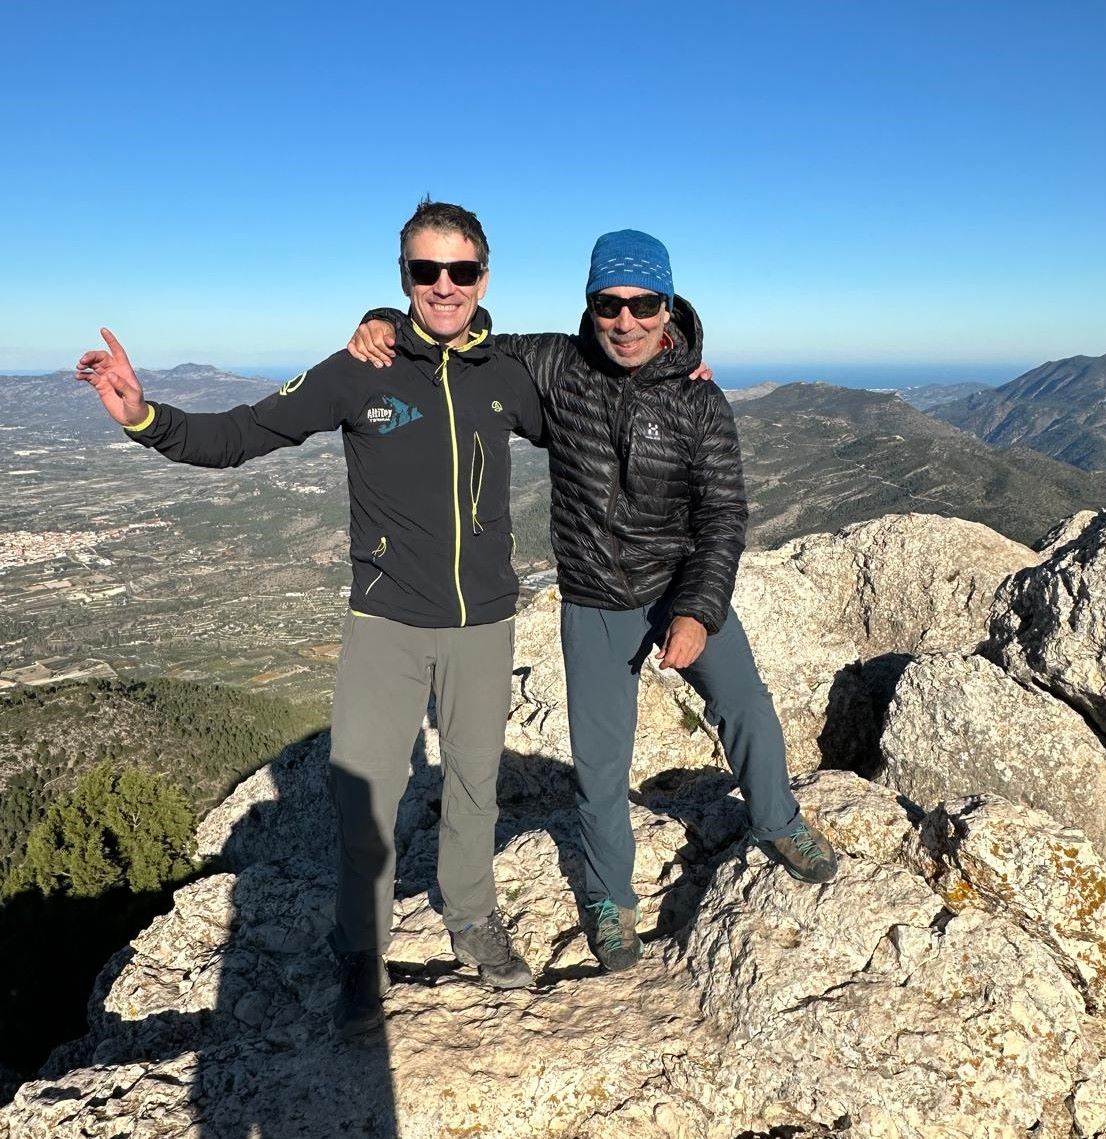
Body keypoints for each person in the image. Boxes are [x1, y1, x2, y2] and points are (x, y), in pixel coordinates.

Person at [75, 200, 543, 1035]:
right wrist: (146, 419)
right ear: (403, 279)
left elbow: (589, 414)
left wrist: (676, 371)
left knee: (475, 783)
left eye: (460, 271)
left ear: (484, 276)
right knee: (365, 791)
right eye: (425, 271)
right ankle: (360, 947)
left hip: (483, 622)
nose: (444, 286)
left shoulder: (505, 372)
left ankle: (471, 918)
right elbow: (247, 431)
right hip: (385, 621)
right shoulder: (357, 367)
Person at [349, 229, 839, 973]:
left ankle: (778, 818)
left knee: (744, 703)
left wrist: (697, 610)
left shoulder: (700, 401)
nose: (626, 320)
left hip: (676, 584)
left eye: (644, 304)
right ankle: (611, 899)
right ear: (591, 304)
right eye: (610, 303)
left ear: (668, 307)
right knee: (600, 764)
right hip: (594, 600)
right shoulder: (556, 362)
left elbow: (724, 514)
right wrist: (386, 317)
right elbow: (458, 330)